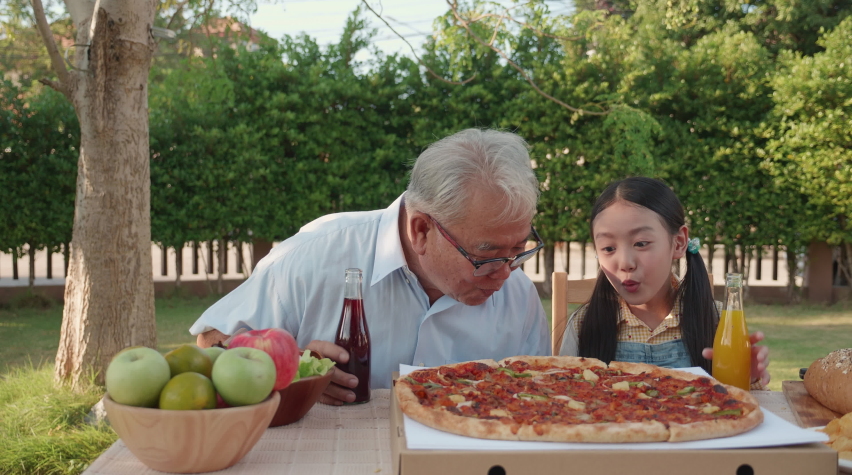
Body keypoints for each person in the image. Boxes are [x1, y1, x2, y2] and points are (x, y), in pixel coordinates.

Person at [191, 128, 551, 404]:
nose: (505, 274)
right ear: (421, 230)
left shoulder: (518, 295)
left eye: (519, 250)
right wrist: (294, 372)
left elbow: (539, 397)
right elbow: (211, 343)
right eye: (485, 257)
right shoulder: (316, 257)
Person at [558, 176, 771, 388]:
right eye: (608, 248)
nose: (625, 263)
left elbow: (736, 406)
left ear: (678, 243)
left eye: (641, 243)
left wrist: (747, 377)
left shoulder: (717, 322)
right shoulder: (582, 325)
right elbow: (563, 398)